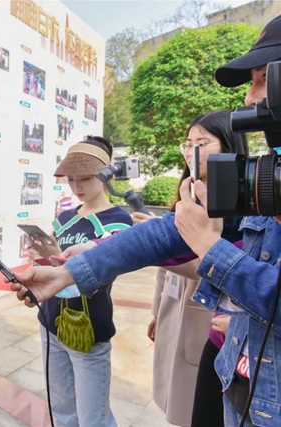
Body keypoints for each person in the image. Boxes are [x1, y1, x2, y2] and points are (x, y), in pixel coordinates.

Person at [9, 16, 281, 427]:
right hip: (244, 382)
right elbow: (162, 234)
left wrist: (211, 250)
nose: (249, 97)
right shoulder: (251, 185)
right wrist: (68, 274)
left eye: (263, 80)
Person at [133, 111, 248, 427]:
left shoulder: (242, 206)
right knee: (173, 391)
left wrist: (160, 251)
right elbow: (164, 269)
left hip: (210, 321)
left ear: (228, 147)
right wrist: (158, 309)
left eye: (202, 142)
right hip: (174, 308)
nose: (190, 150)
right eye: (187, 143)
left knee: (198, 402)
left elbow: (233, 269)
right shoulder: (185, 195)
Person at [26, 137, 132, 427]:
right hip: (50, 321)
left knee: (93, 419)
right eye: (71, 180)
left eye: (84, 178)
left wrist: (72, 263)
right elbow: (53, 264)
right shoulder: (64, 217)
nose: (77, 187)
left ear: (106, 174)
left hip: (89, 328)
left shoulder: (118, 220)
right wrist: (40, 256)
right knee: (61, 410)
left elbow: (103, 272)